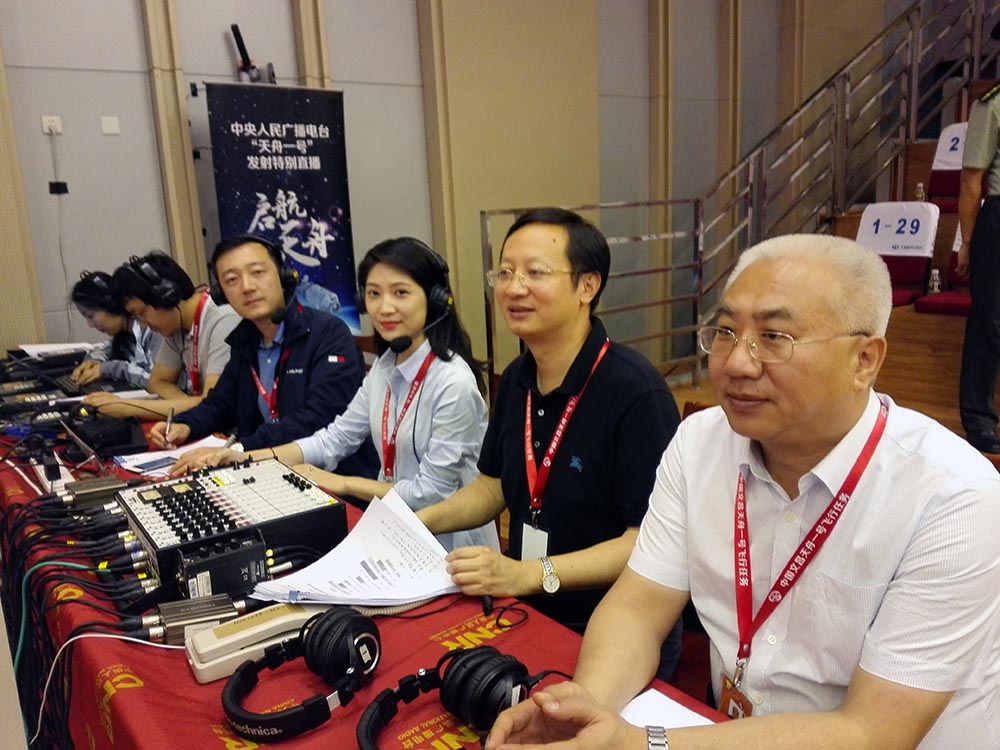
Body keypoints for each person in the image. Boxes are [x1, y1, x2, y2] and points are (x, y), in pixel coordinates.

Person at [485, 234, 1000, 750]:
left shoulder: (956, 497)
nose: (736, 363)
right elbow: (639, 607)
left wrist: (638, 743)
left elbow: (872, 732)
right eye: (726, 332)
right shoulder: (699, 442)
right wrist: (587, 708)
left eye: (774, 337)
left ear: (864, 359)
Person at [415, 208, 682, 651]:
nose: (514, 288)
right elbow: (493, 487)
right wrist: (417, 522)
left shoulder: (635, 391)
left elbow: (647, 540)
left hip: (613, 623)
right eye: (504, 273)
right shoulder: (517, 376)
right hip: (526, 605)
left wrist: (527, 574)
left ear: (587, 286)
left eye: (535, 273)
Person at [174, 237, 498, 552]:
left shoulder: (452, 383)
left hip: (452, 546)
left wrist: (342, 482)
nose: (385, 307)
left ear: (435, 299)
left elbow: (431, 492)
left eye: (400, 293)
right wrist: (244, 456)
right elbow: (335, 438)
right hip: (396, 530)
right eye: (373, 294)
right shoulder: (385, 366)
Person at [149, 235, 377, 481]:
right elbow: (220, 404)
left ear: (283, 275)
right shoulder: (245, 340)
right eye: (232, 280)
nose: (247, 287)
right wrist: (185, 426)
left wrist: (243, 449)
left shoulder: (329, 333)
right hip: (268, 471)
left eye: (257, 272)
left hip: (331, 476)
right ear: (222, 294)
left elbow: (320, 417)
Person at [82, 251, 240, 420]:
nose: (143, 324)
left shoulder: (223, 320)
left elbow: (212, 405)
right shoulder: (177, 327)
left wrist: (128, 407)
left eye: (141, 313)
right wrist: (191, 406)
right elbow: (157, 382)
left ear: (166, 297)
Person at [957, 81, 1000, 454]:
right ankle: (979, 419)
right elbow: (972, 179)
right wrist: (967, 243)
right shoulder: (992, 104)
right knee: (990, 321)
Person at [69, 270, 160, 388]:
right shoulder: (126, 336)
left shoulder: (154, 330)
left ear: (111, 305)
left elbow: (156, 382)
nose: (90, 325)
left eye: (90, 316)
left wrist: (109, 369)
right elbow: (105, 350)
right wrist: (92, 362)